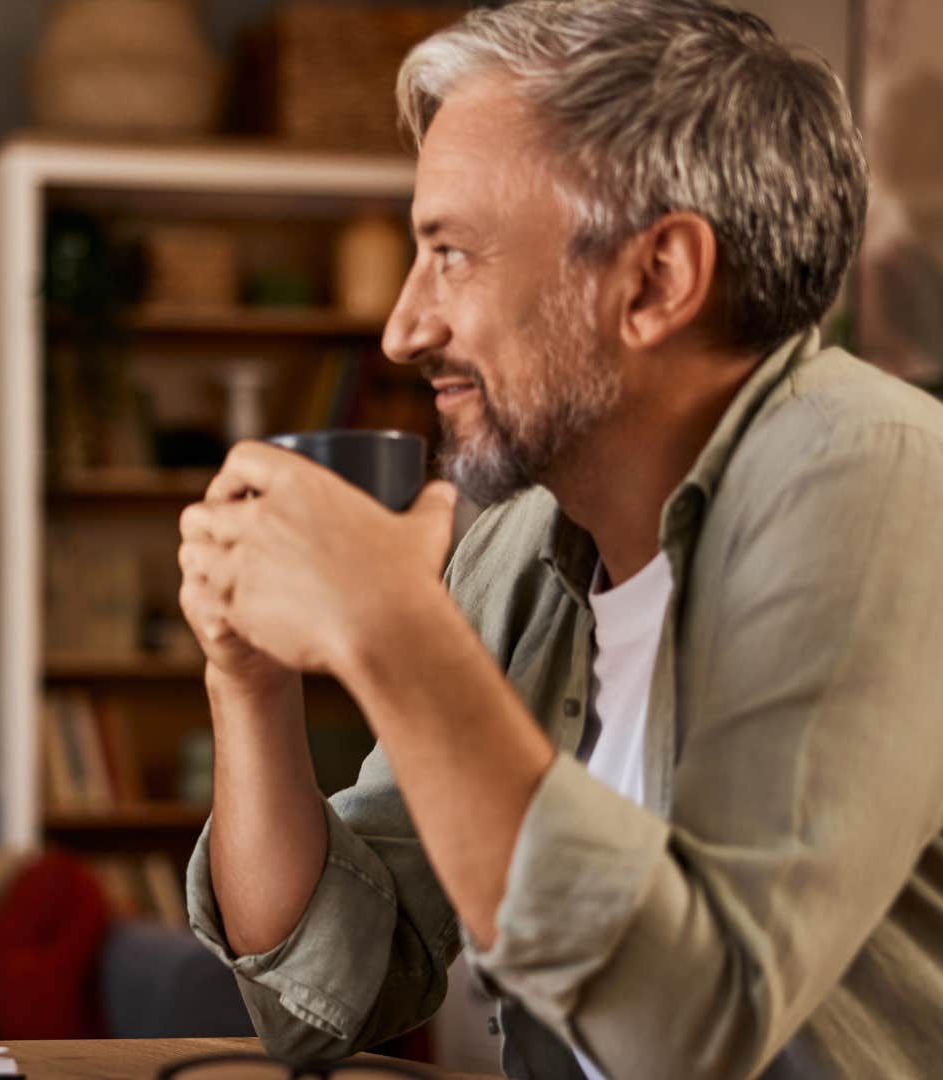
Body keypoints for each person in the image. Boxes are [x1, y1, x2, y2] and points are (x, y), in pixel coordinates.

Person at [175, 2, 943, 1077]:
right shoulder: (526, 545)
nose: (402, 329)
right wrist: (247, 681)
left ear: (657, 279)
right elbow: (325, 996)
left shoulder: (873, 472)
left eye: (451, 254)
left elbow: (701, 1026)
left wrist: (395, 637)